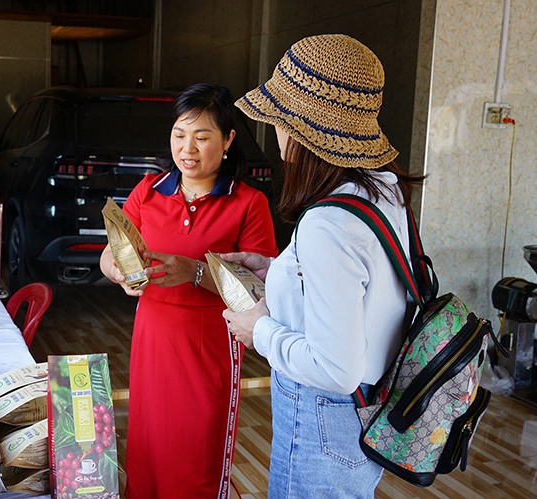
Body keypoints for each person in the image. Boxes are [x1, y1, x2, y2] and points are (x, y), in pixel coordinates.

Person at [223, 34, 426, 497]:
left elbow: (335, 369)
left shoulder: (327, 223)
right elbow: (360, 293)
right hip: (362, 412)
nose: (274, 134)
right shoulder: (381, 190)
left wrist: (260, 332)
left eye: (276, 120)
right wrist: (276, 271)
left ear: (298, 128)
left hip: (323, 419)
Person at [99, 83, 278, 498]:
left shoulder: (248, 203)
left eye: (202, 137)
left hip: (210, 345)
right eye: (180, 135)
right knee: (149, 447)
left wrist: (196, 273)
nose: (188, 148)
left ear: (229, 140)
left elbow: (263, 289)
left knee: (198, 454)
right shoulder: (149, 190)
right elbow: (112, 253)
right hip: (153, 338)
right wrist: (119, 273)